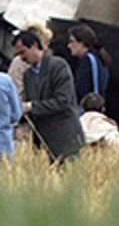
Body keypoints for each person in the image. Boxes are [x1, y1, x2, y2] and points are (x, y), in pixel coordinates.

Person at [14, 28, 84, 161]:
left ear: (35, 46)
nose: (21, 58)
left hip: (65, 141)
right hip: (42, 144)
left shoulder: (58, 66)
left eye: (23, 52)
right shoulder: (27, 75)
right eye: (18, 54)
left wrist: (30, 107)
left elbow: (63, 101)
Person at [67, 23, 110, 106]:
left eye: (72, 41)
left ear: (82, 43)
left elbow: (80, 89)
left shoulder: (87, 60)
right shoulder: (99, 59)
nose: (69, 45)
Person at [9, 21, 51, 97]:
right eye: (45, 43)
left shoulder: (51, 63)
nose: (46, 48)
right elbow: (17, 91)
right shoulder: (18, 63)